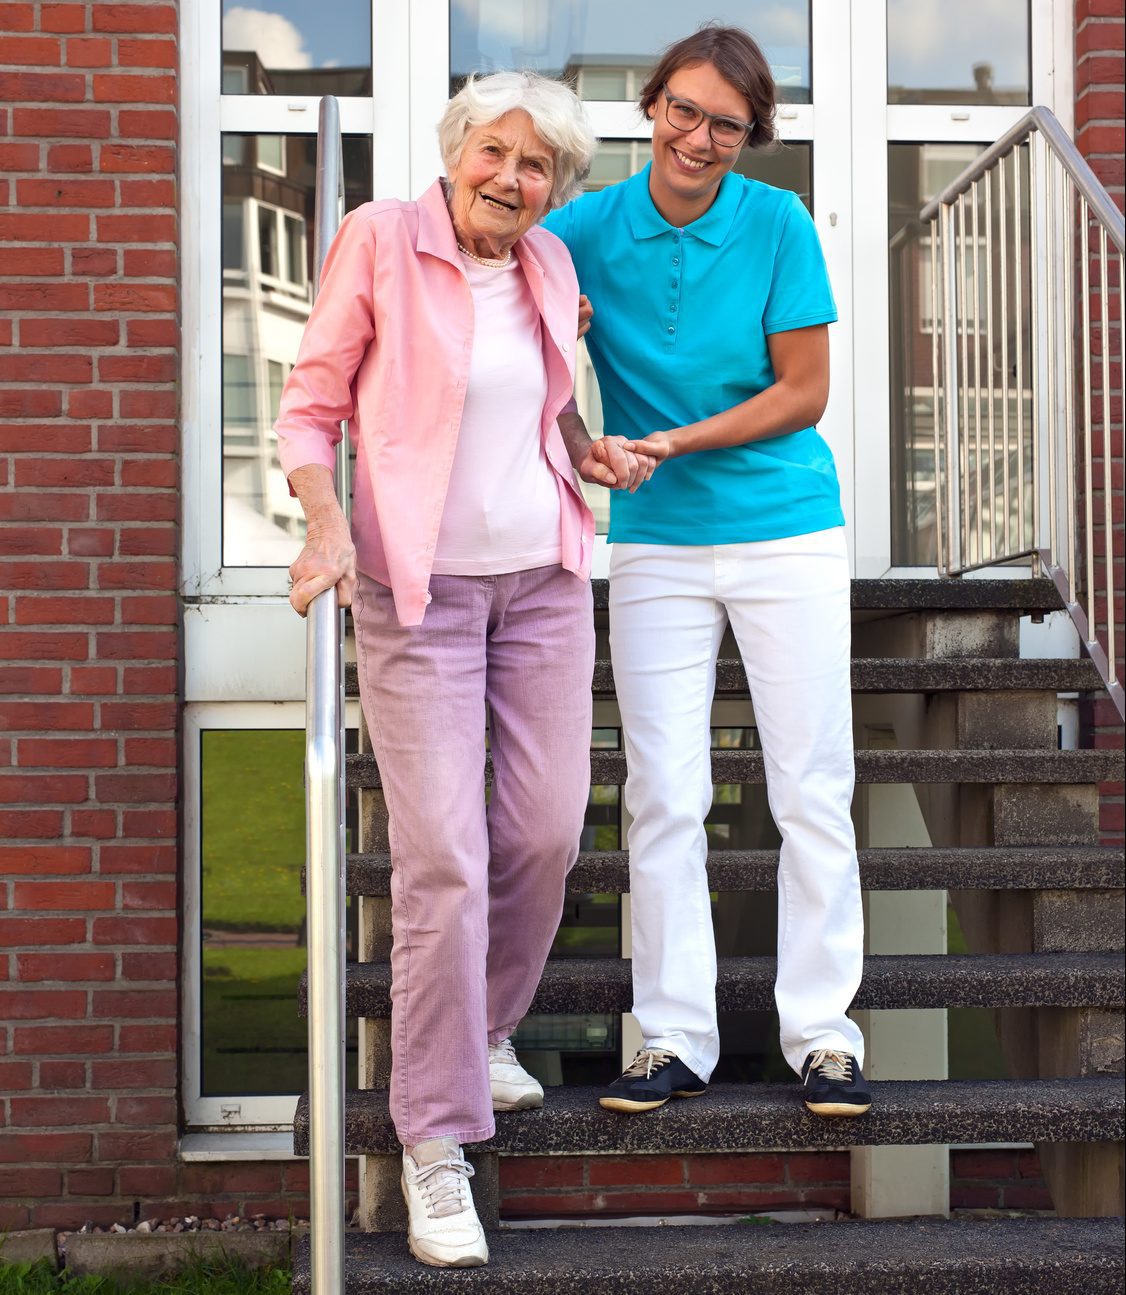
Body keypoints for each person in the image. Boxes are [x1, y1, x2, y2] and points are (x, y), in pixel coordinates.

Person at [273, 72, 645, 1269]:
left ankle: (485, 1026)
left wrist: (593, 451)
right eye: (495, 153)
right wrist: (325, 522)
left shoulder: (546, 267)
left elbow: (541, 403)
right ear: (456, 150)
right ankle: (435, 1138)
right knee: (442, 855)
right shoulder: (379, 238)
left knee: (542, 831)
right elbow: (310, 404)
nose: (512, 180)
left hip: (539, 579)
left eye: (538, 167)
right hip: (414, 590)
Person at [544, 25, 870, 1120]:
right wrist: (581, 435)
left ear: (750, 135)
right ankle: (672, 1037)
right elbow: (520, 338)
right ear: (650, 106)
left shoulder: (776, 223)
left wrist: (670, 442)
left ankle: (823, 1035)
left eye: (724, 123)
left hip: (784, 528)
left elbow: (802, 392)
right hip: (654, 546)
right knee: (663, 792)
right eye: (683, 110)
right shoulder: (581, 228)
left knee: (810, 783)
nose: (697, 137)